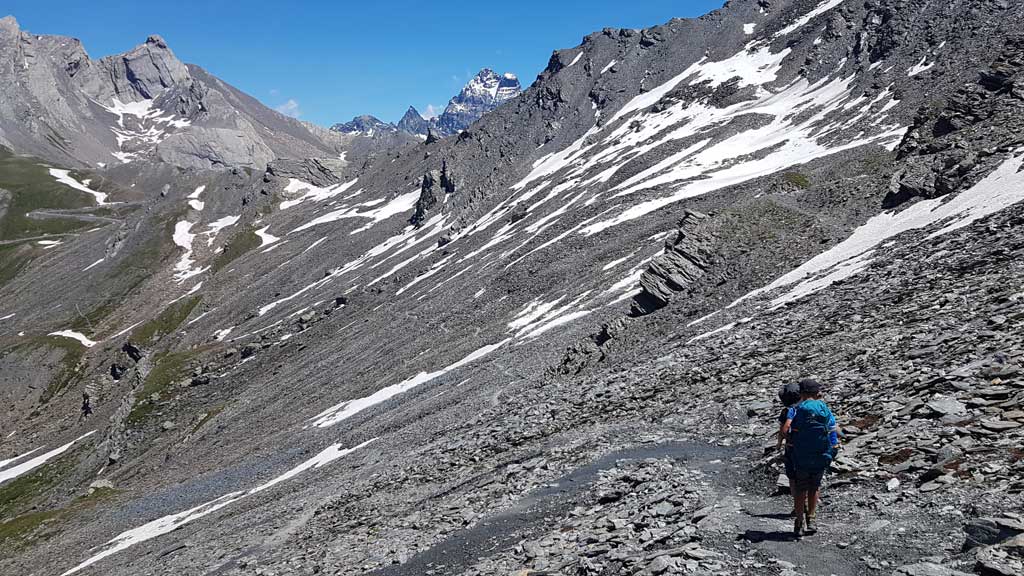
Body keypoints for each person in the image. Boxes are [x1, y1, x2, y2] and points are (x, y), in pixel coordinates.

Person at [780, 378, 839, 537]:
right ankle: (811, 519)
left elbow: (786, 431)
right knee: (815, 487)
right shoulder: (825, 409)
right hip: (821, 455)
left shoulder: (796, 409)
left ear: (802, 393)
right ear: (817, 392)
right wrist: (833, 449)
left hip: (801, 457)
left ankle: (799, 522)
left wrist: (790, 443)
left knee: (801, 489)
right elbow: (832, 430)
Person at [776, 381, 802, 512]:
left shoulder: (786, 411)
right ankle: (810, 504)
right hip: (809, 448)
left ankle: (797, 505)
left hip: (792, 447)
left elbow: (782, 430)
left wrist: (779, 444)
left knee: (792, 477)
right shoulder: (808, 408)